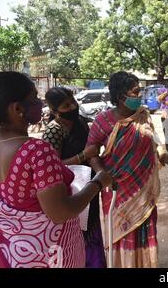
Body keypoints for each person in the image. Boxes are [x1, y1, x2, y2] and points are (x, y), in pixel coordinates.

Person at [0, 72, 111, 268]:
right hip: (49, 256)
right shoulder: (37, 152)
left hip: (10, 253)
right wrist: (98, 182)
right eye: (34, 98)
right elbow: (60, 212)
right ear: (17, 108)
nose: (40, 103)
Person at [86, 71, 168, 268]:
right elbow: (90, 153)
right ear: (120, 97)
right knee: (120, 234)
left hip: (144, 190)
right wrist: (102, 174)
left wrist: (161, 152)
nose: (139, 96)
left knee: (145, 229)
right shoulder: (103, 122)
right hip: (117, 190)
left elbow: (152, 139)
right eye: (135, 92)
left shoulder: (143, 115)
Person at [42, 87, 106, 268]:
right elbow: (52, 168)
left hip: (89, 185)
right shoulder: (54, 131)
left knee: (91, 227)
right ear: (55, 111)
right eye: (65, 105)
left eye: (73, 102)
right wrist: (83, 156)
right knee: (76, 231)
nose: (72, 107)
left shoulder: (80, 122)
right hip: (70, 190)